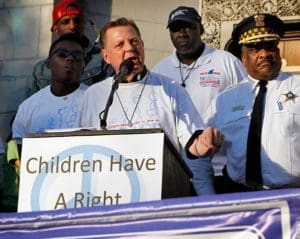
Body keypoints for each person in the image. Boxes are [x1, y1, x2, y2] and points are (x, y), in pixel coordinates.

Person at [76, 17, 225, 195]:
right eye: (119, 45)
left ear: (142, 45)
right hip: (111, 194)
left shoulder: (169, 88)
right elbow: (82, 151)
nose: (130, 48)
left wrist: (204, 143)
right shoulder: (95, 95)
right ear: (106, 56)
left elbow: (192, 140)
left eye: (134, 42)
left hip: (163, 192)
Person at [204, 13, 300, 193]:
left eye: (270, 47)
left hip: (294, 196)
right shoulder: (224, 100)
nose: (264, 54)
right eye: (255, 49)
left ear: (278, 52)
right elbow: (206, 148)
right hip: (241, 195)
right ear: (244, 59)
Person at [152, 6, 246, 177]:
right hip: (176, 171)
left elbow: (248, 106)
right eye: (175, 28)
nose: (181, 33)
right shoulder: (159, 70)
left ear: (201, 28)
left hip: (221, 168)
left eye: (187, 26)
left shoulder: (226, 62)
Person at [12, 33, 88, 139]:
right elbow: (19, 148)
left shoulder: (97, 101)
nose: (70, 58)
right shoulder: (28, 107)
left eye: (77, 56)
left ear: (83, 65)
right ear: (48, 63)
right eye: (62, 54)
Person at [30, 0, 114, 94]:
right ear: (55, 29)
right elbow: (31, 105)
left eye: (77, 21)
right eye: (65, 22)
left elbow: (108, 98)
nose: (72, 26)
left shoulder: (102, 60)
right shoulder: (40, 69)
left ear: (84, 24)